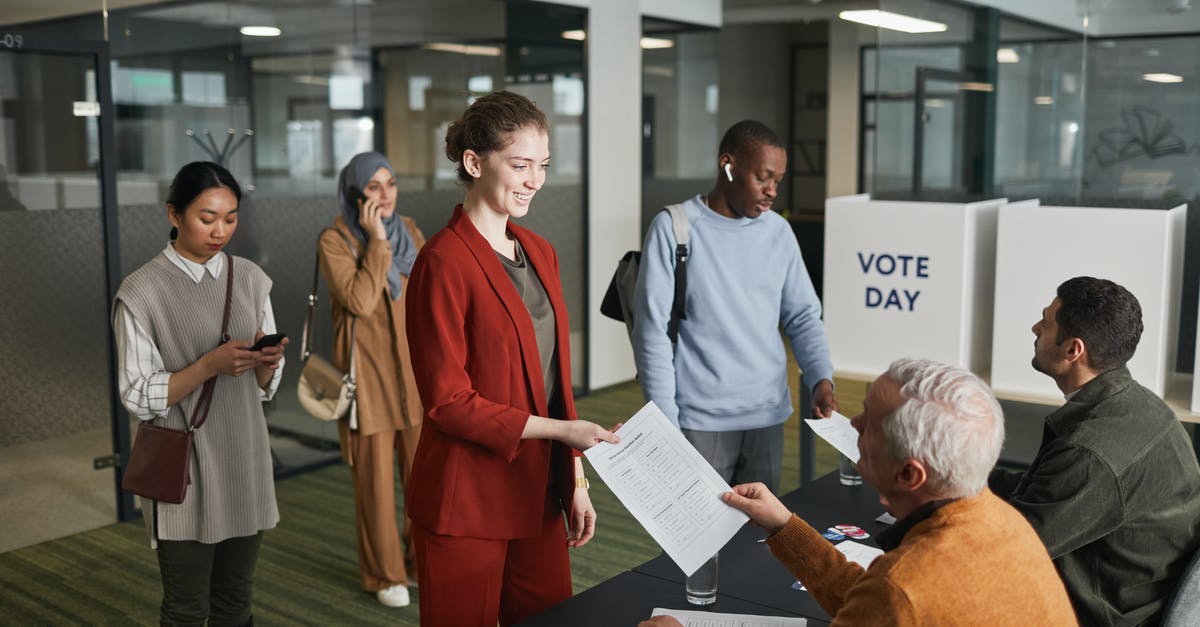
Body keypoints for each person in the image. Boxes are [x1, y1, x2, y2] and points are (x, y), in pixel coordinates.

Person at [404, 91, 620, 626]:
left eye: (542, 166)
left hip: (538, 489)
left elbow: (552, 384)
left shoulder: (539, 251)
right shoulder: (443, 262)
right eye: (520, 165)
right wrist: (561, 434)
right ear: (474, 163)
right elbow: (449, 403)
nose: (534, 180)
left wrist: (575, 479)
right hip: (468, 497)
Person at [720, 358, 1077, 625]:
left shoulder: (901, 589)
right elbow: (872, 598)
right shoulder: (1004, 521)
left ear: (909, 473)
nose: (854, 424)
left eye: (870, 423)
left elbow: (892, 599)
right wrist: (784, 527)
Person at [113, 161, 286, 626]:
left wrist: (265, 366)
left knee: (235, 600)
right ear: (174, 215)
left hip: (245, 457)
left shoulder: (250, 278)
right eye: (206, 217)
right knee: (187, 608)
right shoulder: (141, 291)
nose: (220, 230)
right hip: (183, 470)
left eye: (230, 218)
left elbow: (265, 391)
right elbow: (136, 394)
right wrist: (209, 365)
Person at [632, 120, 836, 492]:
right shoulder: (675, 228)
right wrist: (664, 422)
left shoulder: (778, 232)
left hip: (767, 415)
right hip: (698, 419)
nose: (772, 191)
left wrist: (820, 377)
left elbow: (803, 316)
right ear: (728, 165)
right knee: (700, 545)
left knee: (762, 538)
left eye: (778, 180)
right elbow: (653, 333)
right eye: (764, 178)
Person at [989, 276, 1200, 626]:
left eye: (1045, 322)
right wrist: (968, 480)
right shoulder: (1142, 406)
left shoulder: (1090, 451)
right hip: (1135, 594)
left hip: (1099, 615)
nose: (1035, 328)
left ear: (1074, 350)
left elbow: (1011, 549)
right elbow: (1045, 491)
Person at [318, 151, 424, 608]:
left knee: (425, 478)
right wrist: (378, 241)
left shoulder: (412, 232)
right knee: (376, 487)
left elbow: (428, 294)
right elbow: (360, 300)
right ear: (354, 192)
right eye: (374, 187)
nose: (384, 196)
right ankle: (385, 576)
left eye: (391, 185)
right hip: (369, 381)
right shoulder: (335, 240)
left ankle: (423, 563)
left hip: (418, 376)